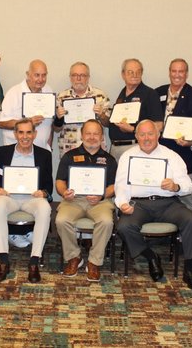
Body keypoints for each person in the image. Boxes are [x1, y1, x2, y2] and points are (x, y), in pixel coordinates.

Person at [114, 120, 192, 291]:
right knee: (124, 226)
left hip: (168, 203)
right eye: (142, 134)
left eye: (150, 134)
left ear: (158, 135)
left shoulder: (172, 156)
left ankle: (189, 270)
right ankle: (151, 256)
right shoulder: (127, 156)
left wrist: (175, 186)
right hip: (138, 203)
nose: (147, 138)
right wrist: (123, 204)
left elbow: (188, 185)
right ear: (136, 136)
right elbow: (121, 185)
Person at [0, 118, 53, 283]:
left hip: (32, 199)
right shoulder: (2, 152)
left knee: (45, 208)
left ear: (35, 134)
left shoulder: (44, 155)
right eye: (21, 132)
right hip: (9, 197)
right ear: (15, 134)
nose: (25, 137)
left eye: (29, 132)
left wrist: (43, 193)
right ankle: (3, 260)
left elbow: (48, 187)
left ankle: (34, 261)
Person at [55, 120, 117, 282]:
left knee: (106, 221)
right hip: (74, 200)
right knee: (61, 220)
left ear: (102, 136)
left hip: (100, 201)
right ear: (81, 135)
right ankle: (74, 257)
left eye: (96, 133)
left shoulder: (109, 160)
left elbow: (114, 186)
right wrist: (64, 192)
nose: (91, 137)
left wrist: (102, 195)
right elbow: (60, 181)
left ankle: (94, 261)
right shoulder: (70, 156)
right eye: (88, 133)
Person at [156, 59, 192, 176]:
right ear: (169, 72)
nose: (177, 75)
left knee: (184, 190)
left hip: (184, 154)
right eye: (174, 71)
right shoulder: (158, 92)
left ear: (187, 74)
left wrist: (191, 142)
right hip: (160, 152)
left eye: (181, 71)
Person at [108, 59, 163, 162]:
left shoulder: (150, 94)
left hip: (136, 148)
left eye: (138, 72)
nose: (135, 75)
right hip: (115, 148)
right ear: (123, 74)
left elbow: (158, 126)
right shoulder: (122, 94)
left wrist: (132, 129)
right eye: (130, 72)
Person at [53, 62, 111, 158]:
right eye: (75, 75)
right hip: (69, 148)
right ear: (70, 77)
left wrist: (101, 115)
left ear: (88, 77)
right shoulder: (61, 97)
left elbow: (108, 124)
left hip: (95, 148)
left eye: (82, 75)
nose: (78, 79)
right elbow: (56, 129)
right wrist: (59, 119)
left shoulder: (100, 95)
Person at [0, 60, 55, 150]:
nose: (40, 79)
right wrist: (27, 122)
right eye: (37, 75)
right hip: (15, 152)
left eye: (44, 75)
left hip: (42, 151)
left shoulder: (49, 91)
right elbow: (1, 123)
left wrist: (49, 148)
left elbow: (49, 125)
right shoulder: (14, 92)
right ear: (28, 74)